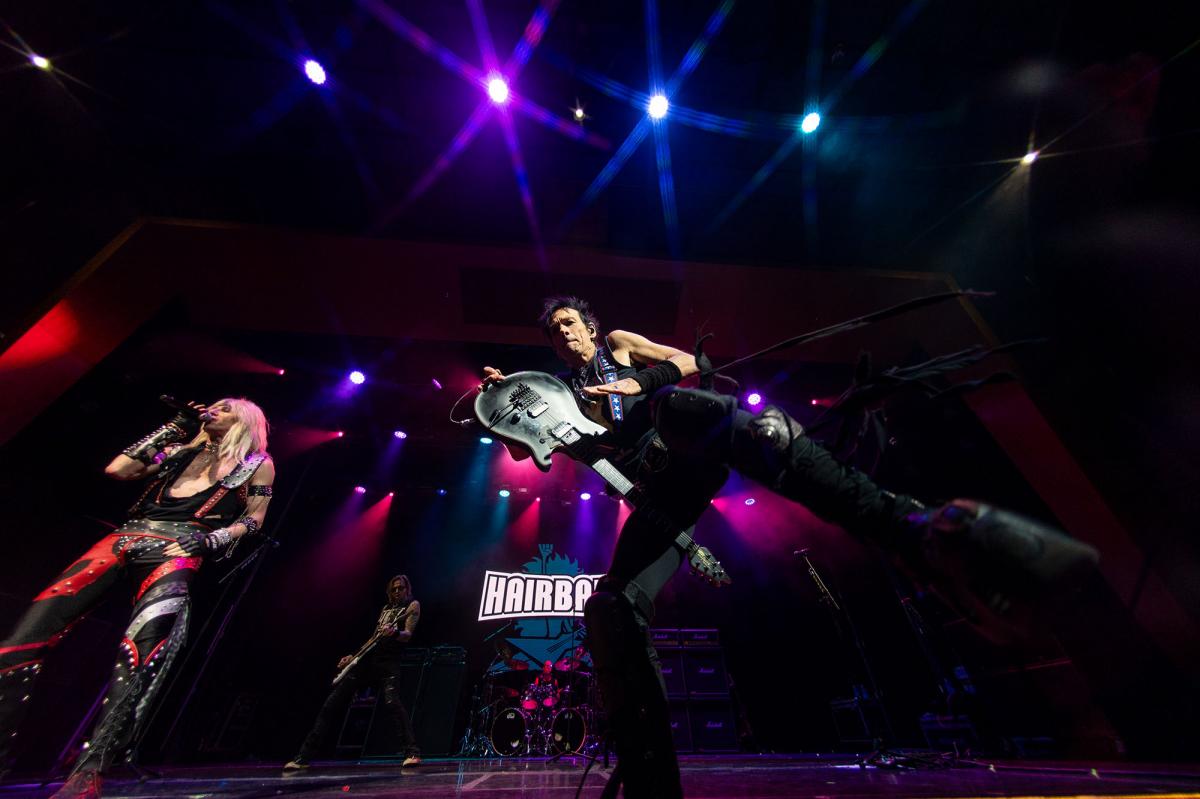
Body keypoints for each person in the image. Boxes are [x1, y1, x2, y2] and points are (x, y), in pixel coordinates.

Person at [480, 295, 1097, 798]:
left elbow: (691, 361)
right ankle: (651, 781)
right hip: (657, 489)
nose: (565, 335)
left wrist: (634, 384)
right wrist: (505, 404)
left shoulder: (618, 345)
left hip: (684, 442)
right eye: (554, 333)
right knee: (611, 607)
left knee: (686, 409)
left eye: (570, 324)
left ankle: (914, 530)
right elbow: (539, 450)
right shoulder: (560, 394)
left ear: (588, 326)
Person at [0, 398, 275, 799]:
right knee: (23, 639)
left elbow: (255, 518)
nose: (213, 411)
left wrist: (212, 538)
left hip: (178, 548)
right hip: (124, 538)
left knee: (141, 654)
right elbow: (119, 470)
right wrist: (172, 427)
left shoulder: (257, 464)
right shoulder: (179, 451)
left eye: (225, 409)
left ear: (246, 422)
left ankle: (89, 771)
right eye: (212, 407)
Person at [285, 575, 422, 770]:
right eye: (394, 589)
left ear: (407, 589)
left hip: (388, 662)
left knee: (392, 703)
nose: (397, 591)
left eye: (401, 588)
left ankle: (412, 753)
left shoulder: (412, 606)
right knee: (331, 704)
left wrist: (395, 633)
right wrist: (353, 656)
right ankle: (303, 757)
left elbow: (407, 635)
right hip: (367, 660)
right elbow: (373, 638)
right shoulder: (386, 609)